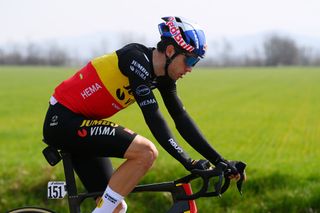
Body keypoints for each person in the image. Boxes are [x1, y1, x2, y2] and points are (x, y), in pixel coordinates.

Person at [42, 16, 240, 213]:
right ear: (170, 51)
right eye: (189, 59)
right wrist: (188, 162)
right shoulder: (136, 59)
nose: (190, 68)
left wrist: (219, 160)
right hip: (63, 121)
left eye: (195, 62)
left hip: (81, 126)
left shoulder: (163, 78)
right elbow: (154, 118)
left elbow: (181, 119)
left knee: (115, 209)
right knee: (146, 152)